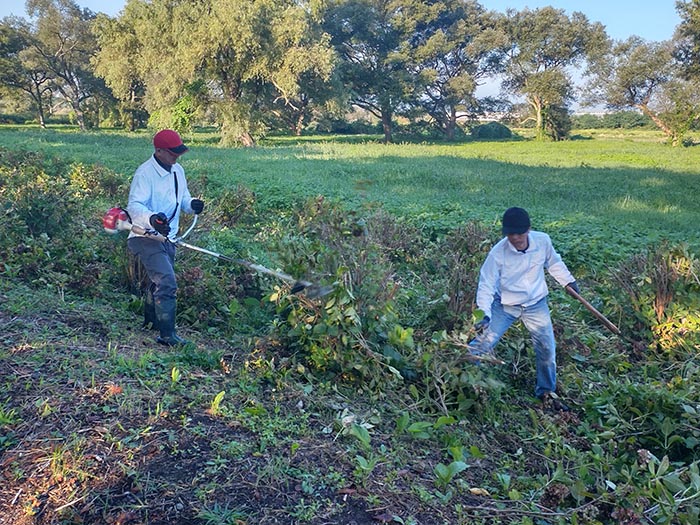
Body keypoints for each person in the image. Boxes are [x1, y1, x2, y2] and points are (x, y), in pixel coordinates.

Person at [468, 207, 578, 411]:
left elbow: (554, 263)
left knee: (547, 349)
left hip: (536, 304)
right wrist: (484, 314)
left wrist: (568, 281)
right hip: (505, 305)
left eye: (519, 233)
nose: (515, 238)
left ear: (528, 229)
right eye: (510, 234)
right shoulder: (498, 253)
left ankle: (546, 392)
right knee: (482, 344)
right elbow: (486, 285)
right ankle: (465, 383)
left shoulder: (543, 241)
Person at [126, 129, 204, 347]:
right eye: (172, 153)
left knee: (158, 281)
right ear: (159, 151)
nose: (176, 157)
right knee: (166, 280)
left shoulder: (178, 170)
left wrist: (192, 205)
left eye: (178, 153)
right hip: (144, 236)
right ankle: (167, 335)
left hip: (168, 238)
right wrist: (152, 219)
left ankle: (151, 322)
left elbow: (183, 199)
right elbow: (134, 206)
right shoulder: (144, 173)